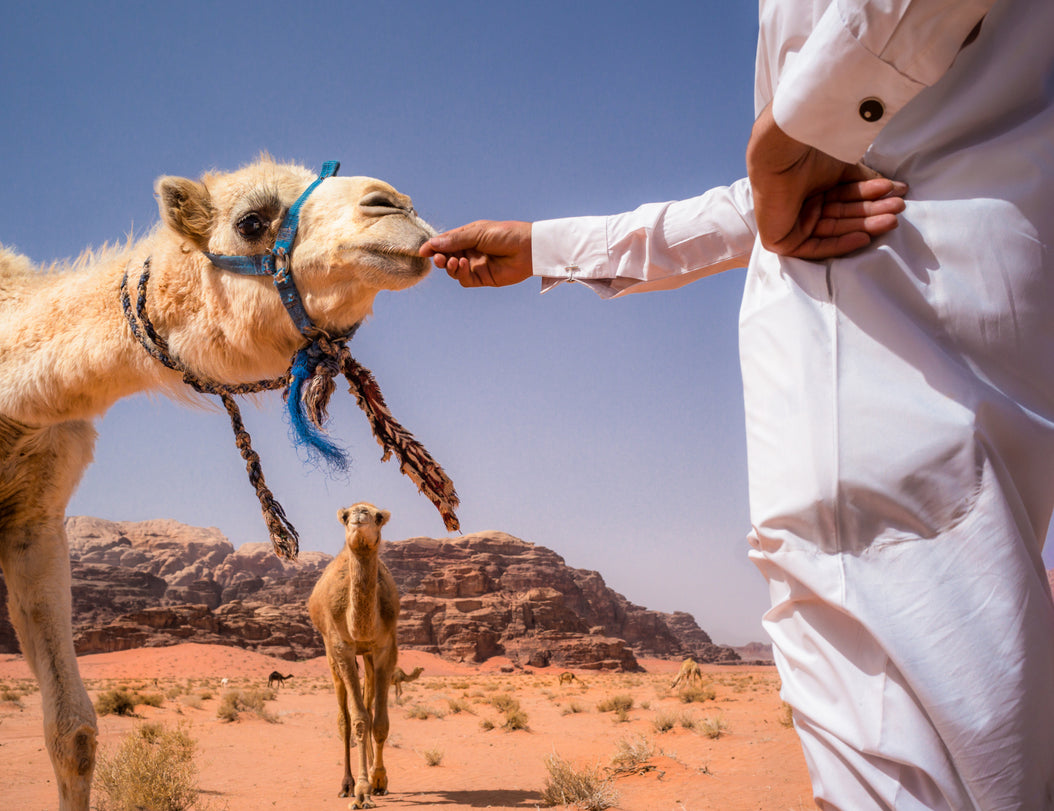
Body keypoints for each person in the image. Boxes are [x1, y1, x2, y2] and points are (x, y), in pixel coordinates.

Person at [421, 1, 1054, 808]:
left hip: (876, 365)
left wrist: (796, 137)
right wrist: (545, 245)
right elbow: (760, 208)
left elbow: (789, 181)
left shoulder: (821, 135)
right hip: (982, 360)